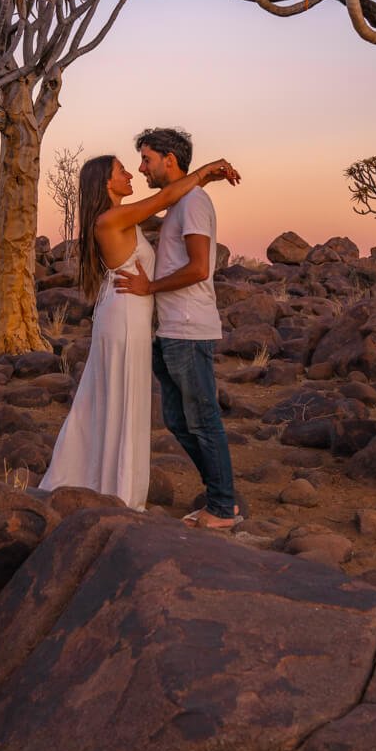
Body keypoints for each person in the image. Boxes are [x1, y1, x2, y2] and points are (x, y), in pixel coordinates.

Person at [39, 148, 240, 511]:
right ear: (106, 182)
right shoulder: (111, 219)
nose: (131, 174)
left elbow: (170, 207)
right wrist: (206, 171)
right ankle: (115, 489)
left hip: (129, 315)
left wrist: (196, 186)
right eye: (122, 171)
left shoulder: (121, 219)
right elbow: (164, 198)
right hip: (125, 318)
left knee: (117, 398)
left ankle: (105, 480)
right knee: (122, 398)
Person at [112, 126, 243, 532]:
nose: (141, 167)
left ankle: (222, 507)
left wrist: (149, 287)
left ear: (170, 159)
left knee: (202, 419)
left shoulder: (193, 204)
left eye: (147, 159)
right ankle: (220, 496)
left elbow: (199, 268)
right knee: (176, 418)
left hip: (189, 328)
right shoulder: (180, 204)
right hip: (171, 329)